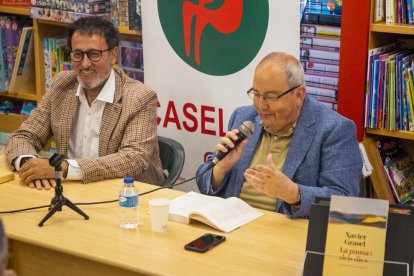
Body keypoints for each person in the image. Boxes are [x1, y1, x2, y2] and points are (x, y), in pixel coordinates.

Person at [196, 52, 362, 218]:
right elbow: (204, 182)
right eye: (256, 94)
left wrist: (292, 193)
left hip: (285, 234)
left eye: (271, 97)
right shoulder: (243, 117)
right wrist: (220, 168)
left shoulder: (334, 129)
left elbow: (344, 201)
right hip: (233, 224)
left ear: (298, 95)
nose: (261, 105)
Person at [6, 16, 165, 189]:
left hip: (128, 196)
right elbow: (25, 135)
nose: (85, 63)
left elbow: (133, 159)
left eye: (94, 54)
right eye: (78, 54)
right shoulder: (62, 84)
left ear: (113, 55)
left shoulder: (139, 97)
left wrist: (62, 168)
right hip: (73, 190)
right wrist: (30, 166)